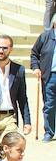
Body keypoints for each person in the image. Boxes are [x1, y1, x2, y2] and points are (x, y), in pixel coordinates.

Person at [30, 13, 56, 141]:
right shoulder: (45, 37)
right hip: (49, 76)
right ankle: (49, 132)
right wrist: (36, 67)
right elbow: (34, 54)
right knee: (49, 105)